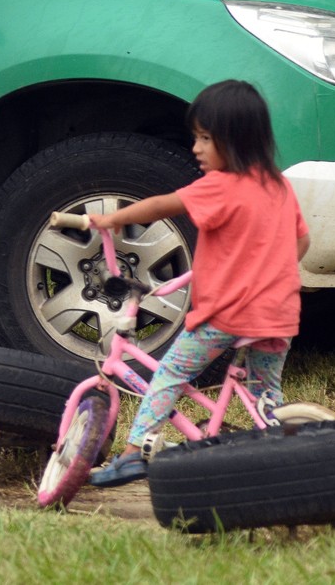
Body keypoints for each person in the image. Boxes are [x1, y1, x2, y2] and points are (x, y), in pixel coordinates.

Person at [85, 79, 309, 486]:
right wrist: (272, 275)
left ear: (235, 139)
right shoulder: (279, 185)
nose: (196, 148)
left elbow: (162, 205)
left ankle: (134, 453)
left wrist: (112, 219)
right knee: (264, 393)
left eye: (206, 138)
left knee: (169, 372)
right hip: (278, 313)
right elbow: (302, 241)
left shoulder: (221, 186)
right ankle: (282, 452)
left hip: (227, 315)